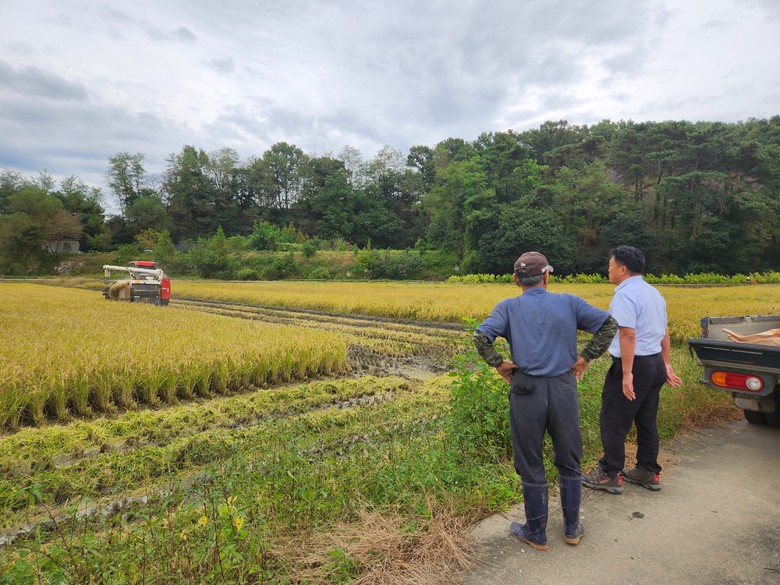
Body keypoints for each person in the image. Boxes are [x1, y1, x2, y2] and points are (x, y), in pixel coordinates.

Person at [474, 251, 617, 551]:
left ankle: (536, 532)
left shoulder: (507, 308)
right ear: (547, 277)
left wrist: (499, 363)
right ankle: (572, 528)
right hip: (563, 389)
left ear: (516, 280)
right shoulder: (570, 302)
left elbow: (481, 337)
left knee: (530, 460)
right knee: (569, 458)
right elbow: (609, 325)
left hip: (526, 390)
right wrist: (585, 357)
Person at [582, 245, 682, 495]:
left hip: (635, 365)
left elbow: (627, 334)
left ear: (623, 269)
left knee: (613, 419)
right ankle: (648, 470)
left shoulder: (625, 295)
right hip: (654, 364)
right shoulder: (653, 293)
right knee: (646, 420)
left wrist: (627, 374)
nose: (608, 269)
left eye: (611, 265)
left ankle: (609, 473)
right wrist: (665, 363)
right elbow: (664, 331)